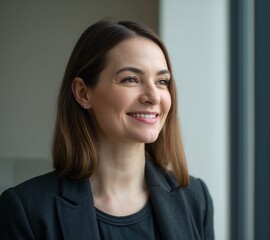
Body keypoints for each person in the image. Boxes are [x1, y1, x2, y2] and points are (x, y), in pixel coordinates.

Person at [0, 19, 214, 240]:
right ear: (83, 93)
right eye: (131, 79)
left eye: (162, 81)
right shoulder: (26, 209)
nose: (153, 97)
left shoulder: (196, 199)